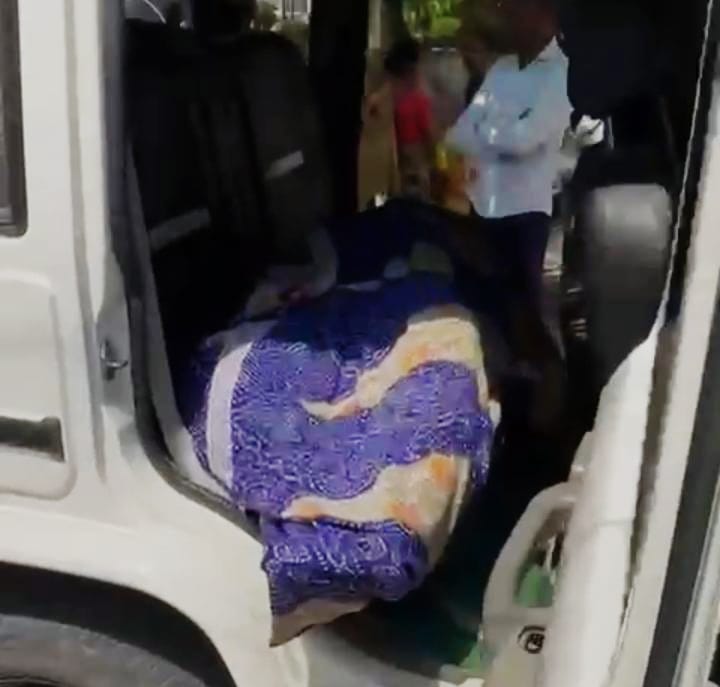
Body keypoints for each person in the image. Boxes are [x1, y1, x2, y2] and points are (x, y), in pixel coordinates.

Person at [445, 0, 571, 365]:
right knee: (488, 311)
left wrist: (486, 129)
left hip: (530, 215)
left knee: (530, 317)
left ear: (546, 17)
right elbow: (458, 136)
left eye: (519, 11)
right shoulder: (502, 69)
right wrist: (500, 131)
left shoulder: (560, 72)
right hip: (485, 207)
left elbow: (526, 140)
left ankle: (541, 388)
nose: (511, 19)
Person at [383, 38, 435, 200]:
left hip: (393, 172)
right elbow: (430, 137)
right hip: (415, 169)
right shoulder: (418, 102)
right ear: (412, 71)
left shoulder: (384, 100)